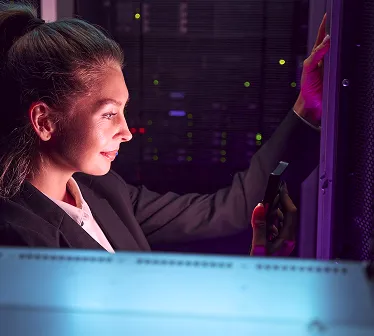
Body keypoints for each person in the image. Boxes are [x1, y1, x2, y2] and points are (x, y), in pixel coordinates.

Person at [0, 3, 330, 254]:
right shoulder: (18, 239)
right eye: (109, 113)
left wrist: (308, 108)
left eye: (123, 111)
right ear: (44, 121)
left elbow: (229, 211)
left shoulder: (102, 192)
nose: (126, 132)